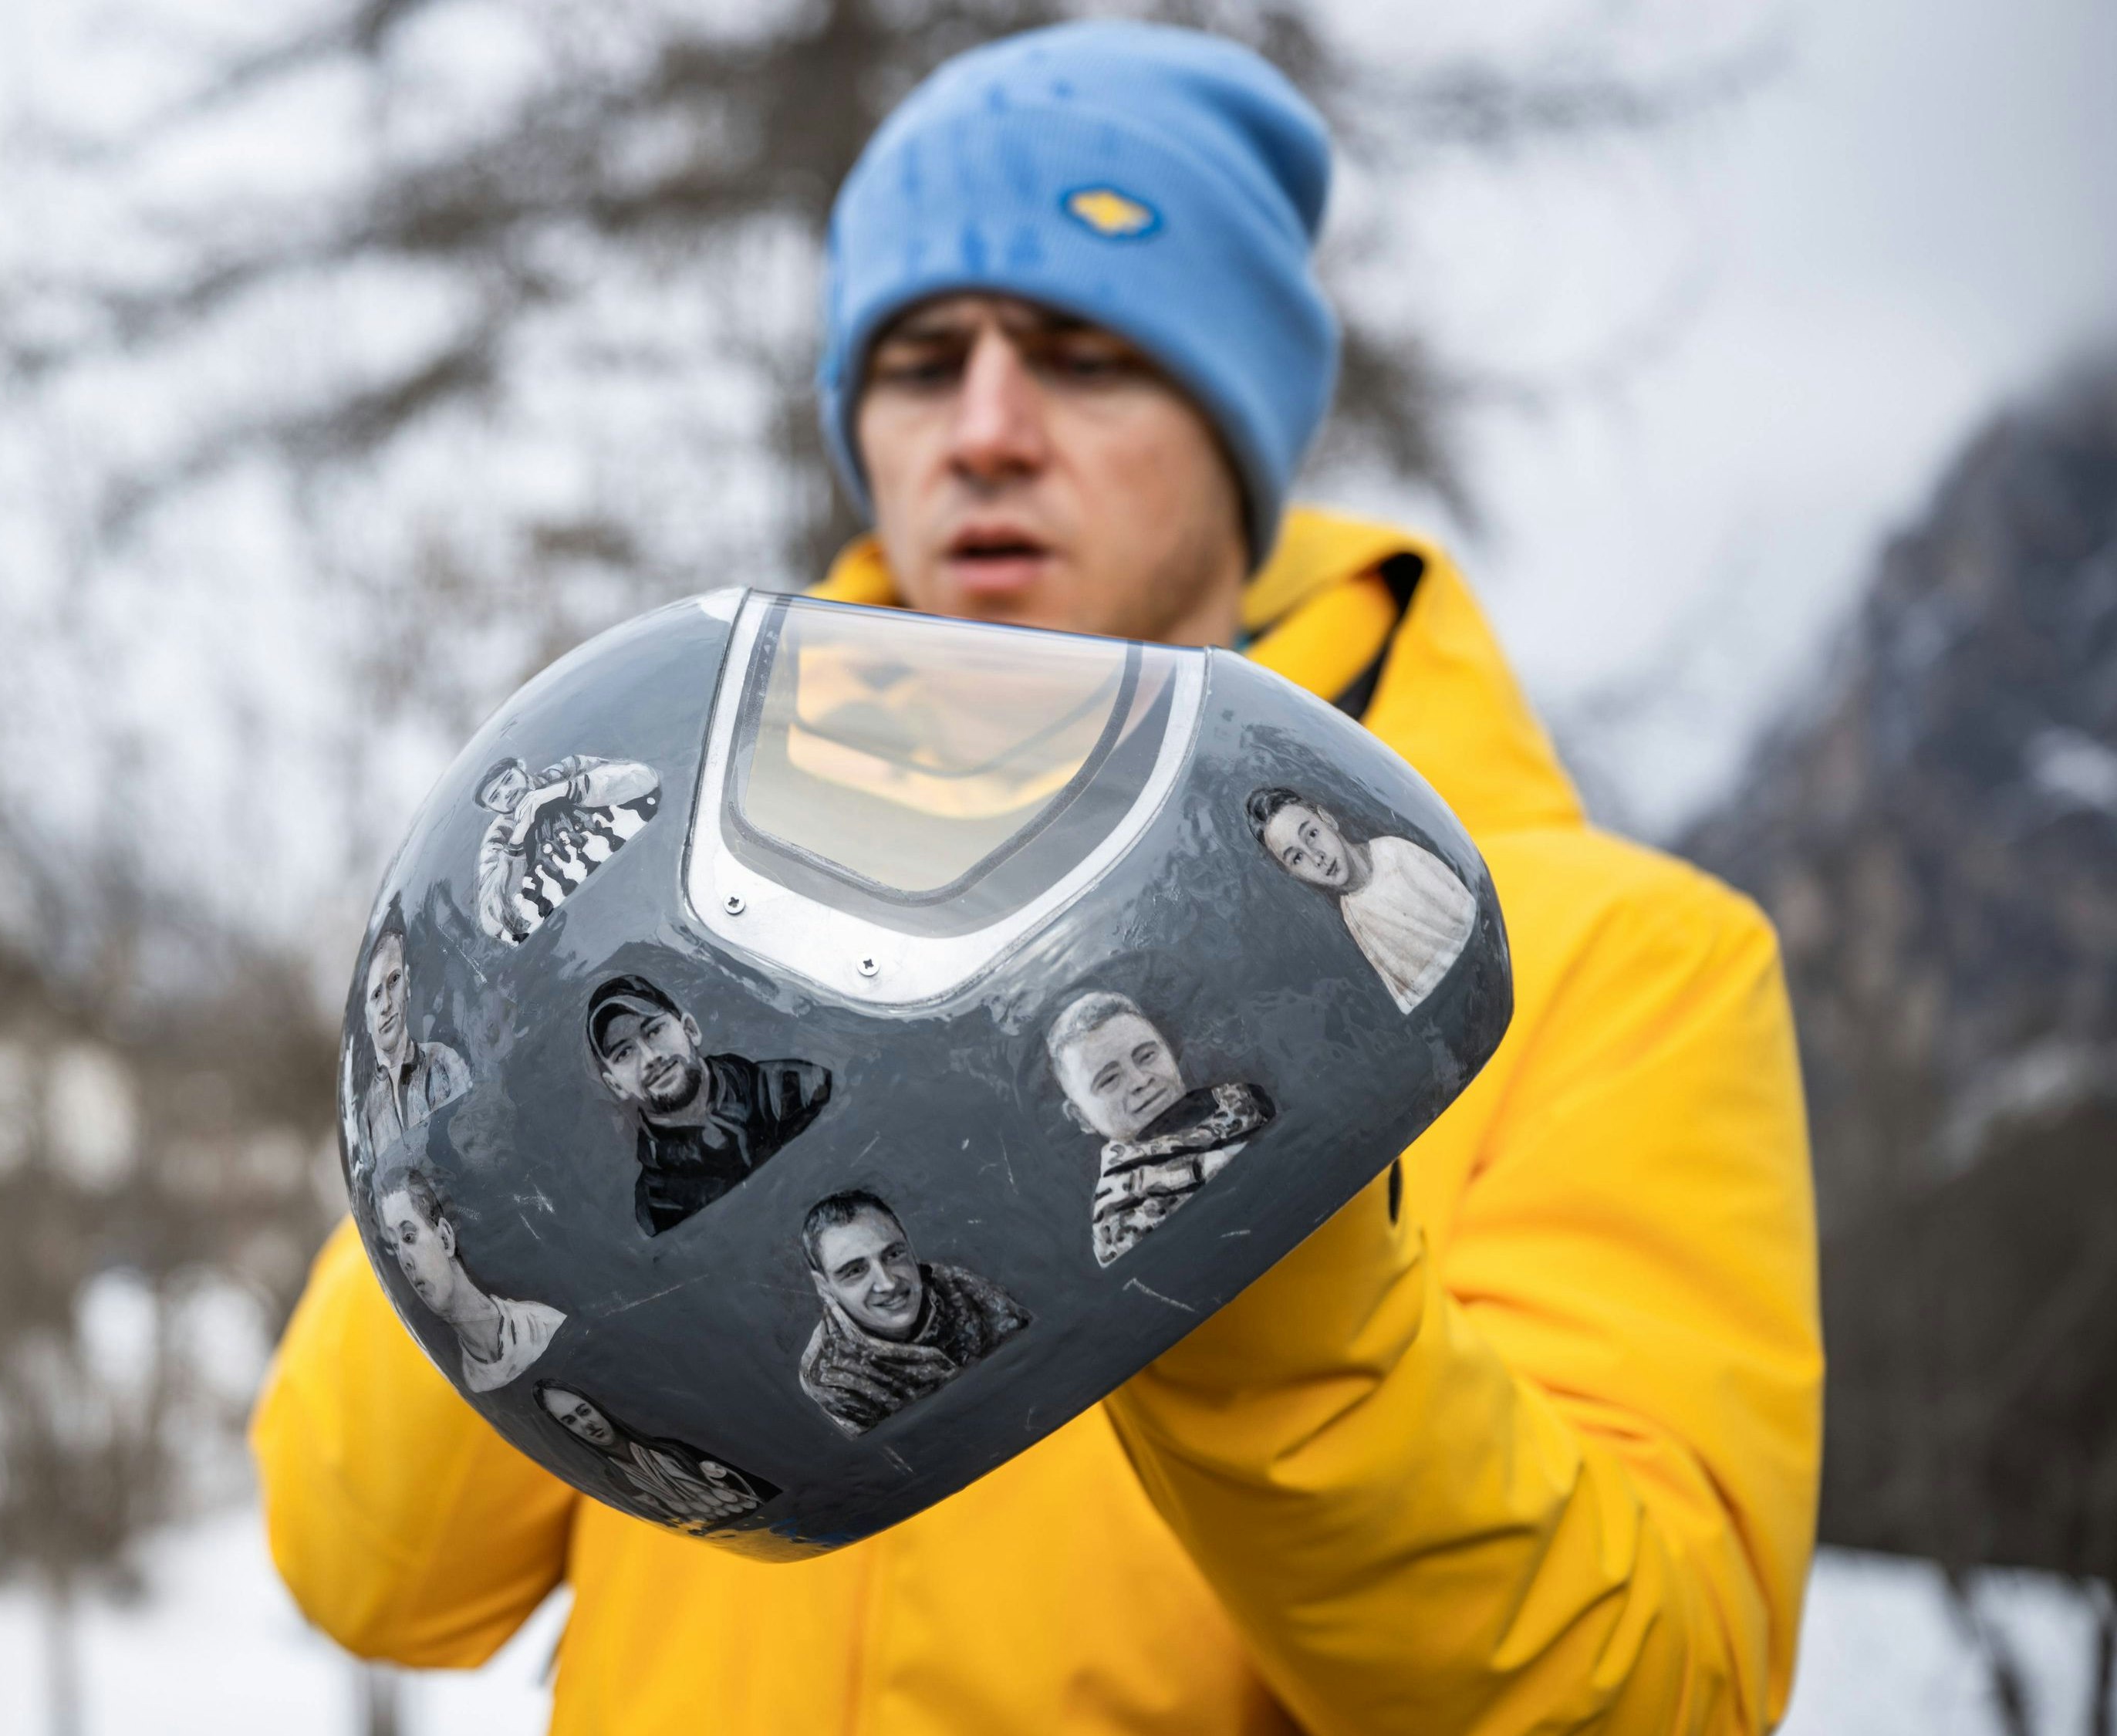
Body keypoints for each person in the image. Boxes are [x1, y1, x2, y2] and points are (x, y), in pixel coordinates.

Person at [257, 20, 1821, 1731]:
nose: (985, 430)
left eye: (1084, 358)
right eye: (921, 364)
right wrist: (513, 1092)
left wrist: (1248, 1258)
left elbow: (1654, 1694)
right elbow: (371, 1572)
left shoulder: (1614, 968)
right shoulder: (659, 904)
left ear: (1239, 432)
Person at [584, 974, 835, 1234]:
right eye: (624, 1053)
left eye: (654, 1031)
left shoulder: (798, 1090)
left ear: (691, 1029)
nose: (650, 1057)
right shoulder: (658, 1205)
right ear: (615, 1085)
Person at [1048, 990, 1278, 1265]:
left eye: (1146, 1056)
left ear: (1168, 1050)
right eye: (1109, 1080)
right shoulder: (1121, 1214)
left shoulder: (1246, 1101)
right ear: (1080, 1116)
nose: (1140, 1081)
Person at [795, 1191, 1031, 1436]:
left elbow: (1030, 1360)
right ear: (824, 1286)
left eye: (894, 1255)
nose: (887, 1283)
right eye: (855, 1271)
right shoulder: (830, 1378)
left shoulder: (960, 1286)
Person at [1248, 786, 1480, 1013]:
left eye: (1312, 834)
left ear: (1327, 820)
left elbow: (1472, 914)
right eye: (1297, 857)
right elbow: (1409, 994)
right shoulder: (1351, 913)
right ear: (1292, 873)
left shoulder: (1394, 854)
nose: (1316, 857)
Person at [372, 1167, 562, 1393]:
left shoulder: (541, 1326)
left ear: (445, 1238)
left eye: (409, 1237)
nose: (405, 1261)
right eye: (395, 1247)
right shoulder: (464, 1381)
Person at [473, 753, 663, 944]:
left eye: (509, 779)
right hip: (581, 926)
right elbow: (492, 919)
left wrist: (564, 790)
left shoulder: (567, 770)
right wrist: (517, 843)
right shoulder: (498, 838)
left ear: (521, 767)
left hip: (645, 865)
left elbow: (644, 777)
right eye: (496, 796)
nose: (507, 792)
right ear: (489, 808)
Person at [535, 1383, 777, 1532]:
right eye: (570, 1421)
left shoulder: (671, 1449)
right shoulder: (617, 1480)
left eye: (584, 1411)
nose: (586, 1425)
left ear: (598, 1409)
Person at [349, 918, 471, 1174]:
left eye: (393, 981)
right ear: (367, 1013)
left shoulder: (444, 1062)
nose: (386, 1006)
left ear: (407, 983)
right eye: (376, 995)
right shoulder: (367, 1117)